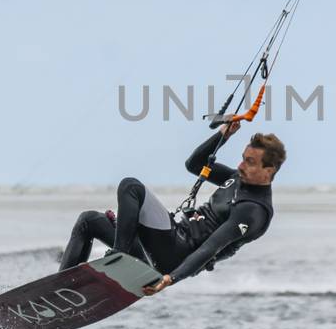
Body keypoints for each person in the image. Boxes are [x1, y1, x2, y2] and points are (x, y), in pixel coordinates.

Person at [59, 122, 282, 295]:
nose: (241, 165)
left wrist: (170, 279)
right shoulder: (237, 177)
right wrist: (224, 134)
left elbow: (210, 248)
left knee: (131, 187)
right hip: (165, 242)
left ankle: (119, 258)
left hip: (177, 252)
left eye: (250, 162)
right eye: (243, 159)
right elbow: (194, 164)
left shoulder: (254, 210)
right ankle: (61, 290)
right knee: (88, 221)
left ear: (269, 171)